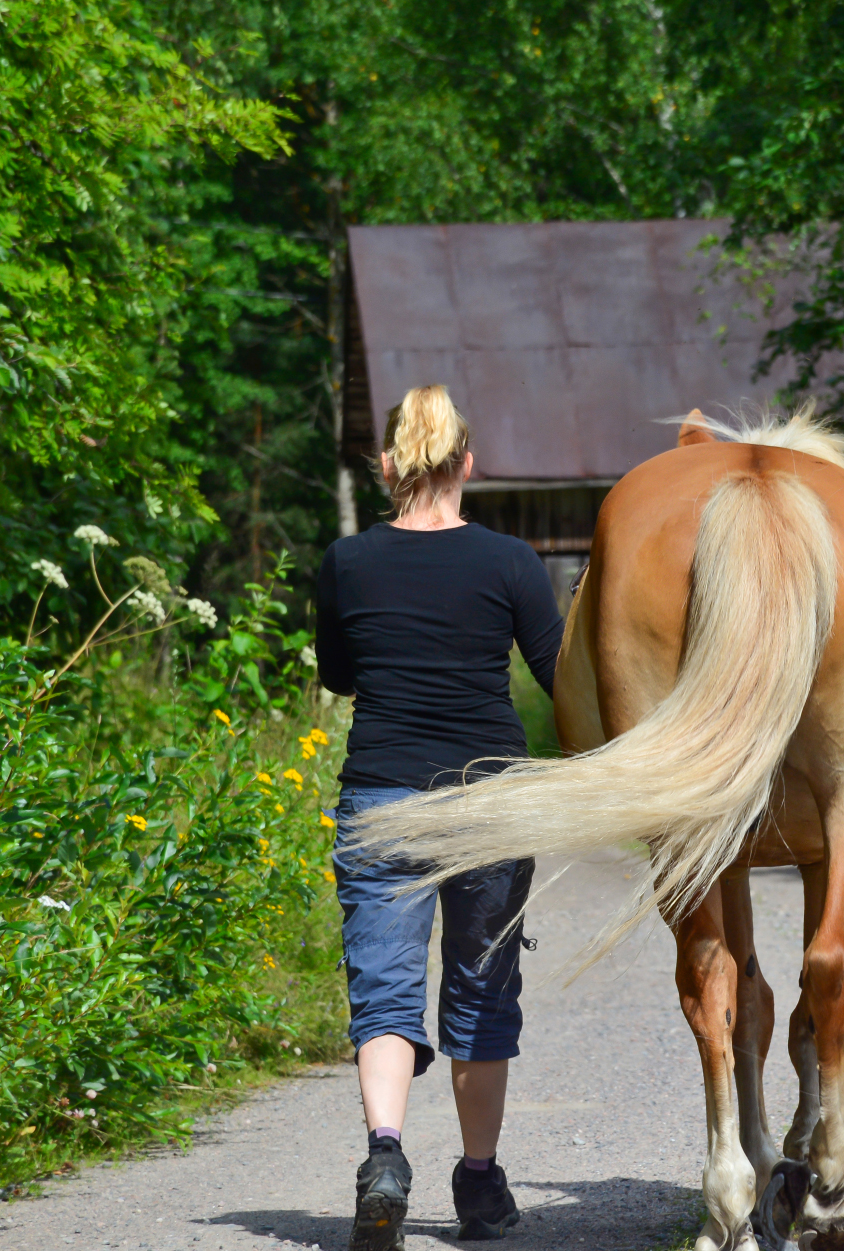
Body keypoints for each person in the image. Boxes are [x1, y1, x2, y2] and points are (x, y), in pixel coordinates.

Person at [316, 384, 564, 1249]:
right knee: (481, 991)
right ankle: (478, 1183)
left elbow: (341, 674)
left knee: (384, 992)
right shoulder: (511, 562)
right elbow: (558, 671)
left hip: (381, 795)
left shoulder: (346, 563)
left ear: (384, 467)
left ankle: (384, 1157)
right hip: (489, 801)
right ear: (468, 464)